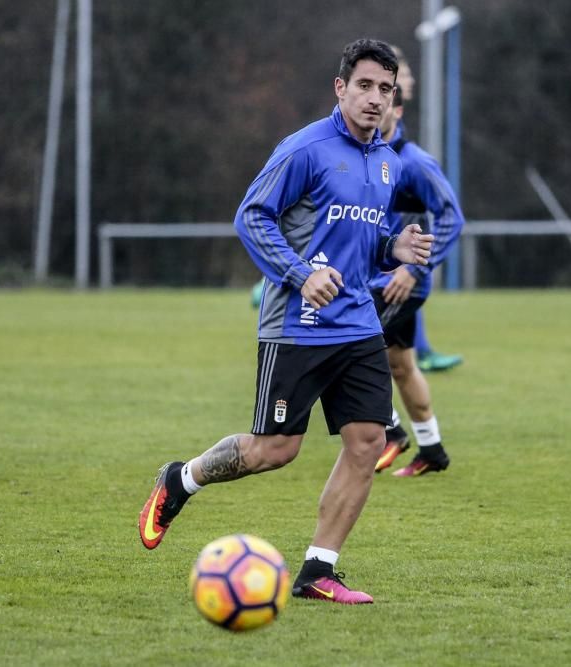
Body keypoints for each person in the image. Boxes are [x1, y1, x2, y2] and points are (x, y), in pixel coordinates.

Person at [138, 39, 434, 605]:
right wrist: (300, 275)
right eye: (365, 86)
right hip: (297, 325)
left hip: (357, 324)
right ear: (340, 88)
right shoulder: (305, 149)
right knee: (274, 450)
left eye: (386, 90)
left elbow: (356, 237)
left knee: (368, 441)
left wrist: (392, 245)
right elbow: (252, 217)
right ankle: (181, 479)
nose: (375, 99)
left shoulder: (390, 162)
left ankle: (317, 572)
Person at [370, 84, 464, 476]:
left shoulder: (415, 162)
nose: (375, 106)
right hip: (377, 278)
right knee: (401, 366)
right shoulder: (363, 156)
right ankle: (433, 450)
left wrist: (414, 269)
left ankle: (391, 431)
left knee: (346, 347)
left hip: (401, 282)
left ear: (399, 110)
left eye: (385, 100)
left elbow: (451, 219)